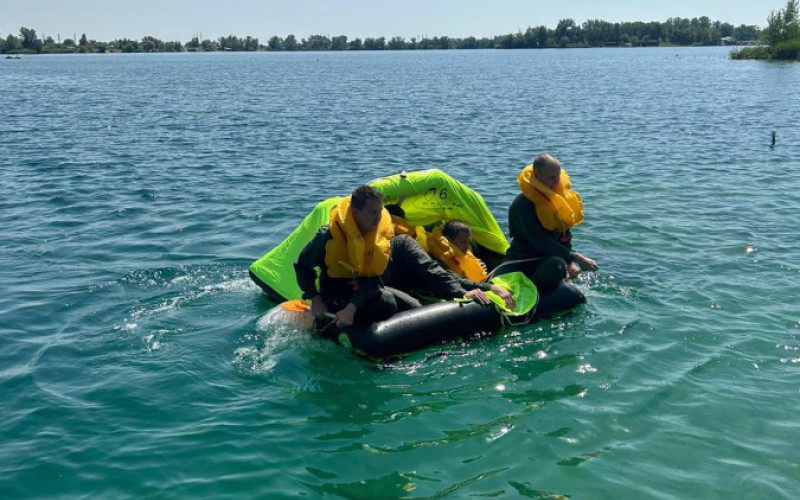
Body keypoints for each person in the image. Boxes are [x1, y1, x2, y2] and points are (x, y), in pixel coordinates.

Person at [294, 185, 397, 328]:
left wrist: (352, 308)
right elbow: (301, 265)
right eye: (372, 213)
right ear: (355, 212)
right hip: (335, 292)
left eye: (379, 211)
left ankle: (352, 317)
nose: (378, 218)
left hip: (363, 291)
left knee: (399, 303)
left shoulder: (381, 237)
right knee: (386, 303)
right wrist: (315, 299)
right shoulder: (327, 237)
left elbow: (376, 278)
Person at [502, 153, 598, 293]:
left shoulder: (557, 201)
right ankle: (532, 292)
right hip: (523, 260)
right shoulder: (522, 205)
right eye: (551, 178)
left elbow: (564, 235)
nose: (556, 182)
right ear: (537, 175)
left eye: (558, 176)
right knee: (557, 265)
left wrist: (570, 263)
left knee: (560, 265)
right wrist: (576, 257)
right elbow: (540, 241)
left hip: (546, 259)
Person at [428, 220, 515, 309]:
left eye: (468, 242)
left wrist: (480, 267)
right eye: (463, 241)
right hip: (452, 294)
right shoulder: (437, 259)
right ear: (448, 240)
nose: (467, 246)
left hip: (478, 285)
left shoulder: (462, 250)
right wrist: (494, 288)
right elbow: (459, 280)